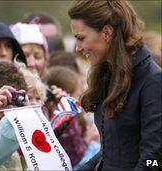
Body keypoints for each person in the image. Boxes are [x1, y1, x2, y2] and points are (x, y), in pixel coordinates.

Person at [68, 0, 162, 170]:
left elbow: (153, 159)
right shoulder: (109, 74)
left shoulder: (153, 81)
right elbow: (111, 149)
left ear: (107, 32)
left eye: (81, 38)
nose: (78, 48)